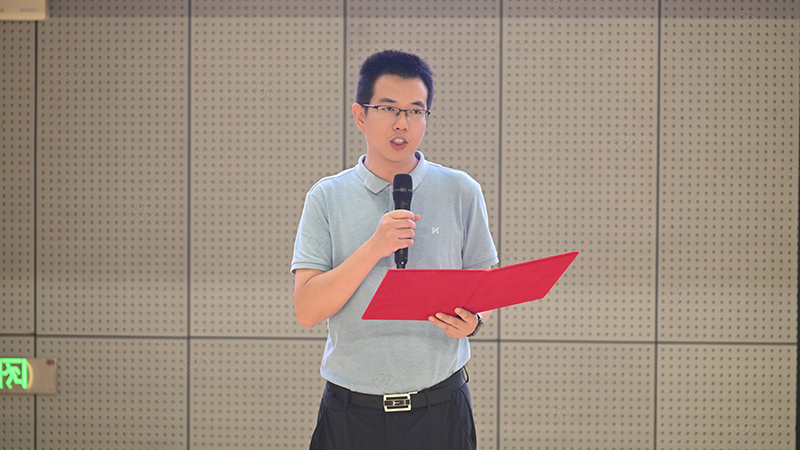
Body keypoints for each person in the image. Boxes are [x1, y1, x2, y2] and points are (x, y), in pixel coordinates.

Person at [291, 49, 498, 450]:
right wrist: (374, 247)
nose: (403, 123)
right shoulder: (326, 197)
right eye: (388, 108)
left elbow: (484, 286)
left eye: (416, 111)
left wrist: (474, 321)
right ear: (360, 116)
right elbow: (307, 310)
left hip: (440, 408)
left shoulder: (461, 190)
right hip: (351, 413)